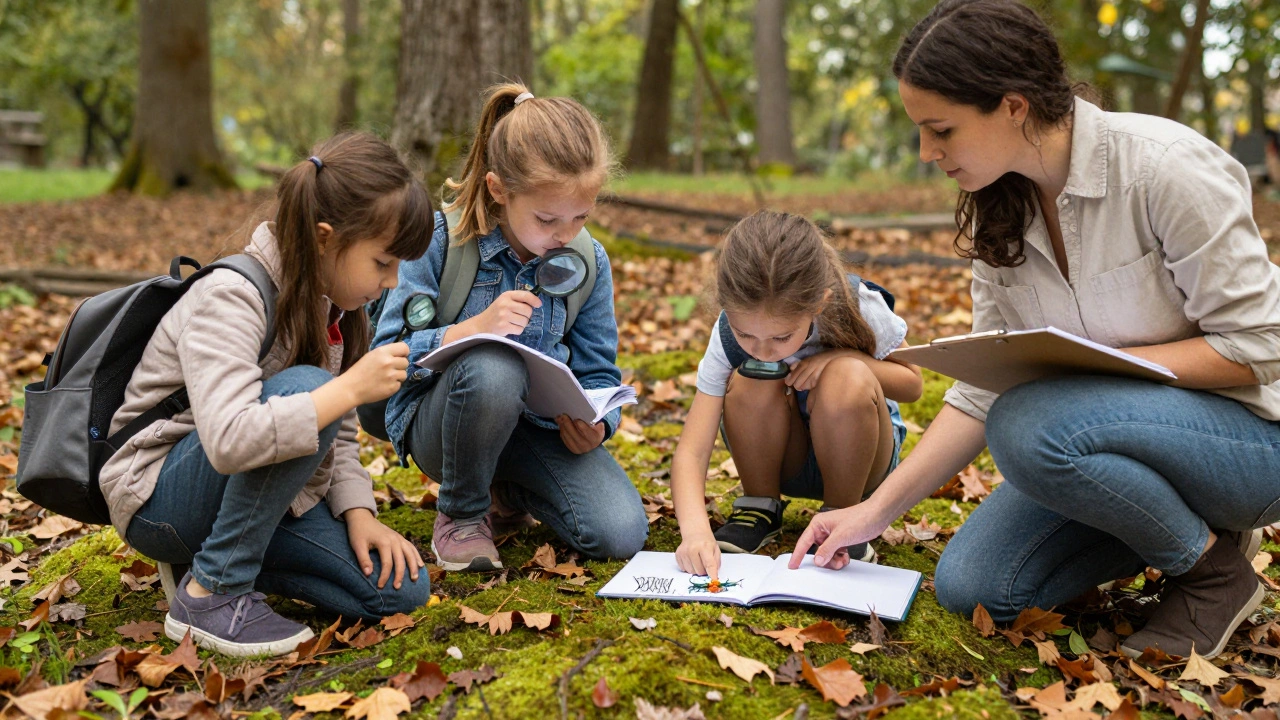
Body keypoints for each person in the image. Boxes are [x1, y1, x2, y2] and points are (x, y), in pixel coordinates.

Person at [792, 0, 1280, 660]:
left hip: (1250, 446)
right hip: (1114, 449)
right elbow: (982, 390)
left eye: (941, 129)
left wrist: (1101, 366)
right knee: (978, 588)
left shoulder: (1164, 169)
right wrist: (874, 511)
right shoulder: (1001, 203)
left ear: (1014, 106)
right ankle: (1198, 534)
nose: (926, 152)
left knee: (1029, 424)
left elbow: (1259, 345)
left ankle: (1212, 577)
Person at [99, 133, 435, 657]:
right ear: (325, 238)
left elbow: (338, 431)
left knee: (399, 591)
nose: (391, 282)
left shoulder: (336, 302)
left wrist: (358, 512)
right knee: (312, 389)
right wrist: (347, 387)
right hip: (159, 495)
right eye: (382, 263)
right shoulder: (232, 295)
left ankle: (218, 558)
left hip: (256, 493)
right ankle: (213, 592)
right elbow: (230, 441)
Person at [372, 83, 648, 572]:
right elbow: (386, 356)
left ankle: (506, 489)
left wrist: (600, 423)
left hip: (533, 431)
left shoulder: (590, 261)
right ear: (499, 190)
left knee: (619, 531)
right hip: (445, 425)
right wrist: (472, 328)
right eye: (546, 219)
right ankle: (461, 514)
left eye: (581, 216)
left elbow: (599, 373)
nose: (565, 234)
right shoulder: (440, 241)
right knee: (494, 366)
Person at [672, 211, 921, 579]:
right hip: (779, 459)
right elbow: (692, 450)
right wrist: (694, 533)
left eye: (781, 337)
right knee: (752, 376)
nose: (763, 350)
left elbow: (912, 383)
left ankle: (841, 515)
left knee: (846, 377)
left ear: (819, 303)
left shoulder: (858, 305)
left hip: (862, 456)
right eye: (746, 335)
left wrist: (846, 357)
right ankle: (759, 507)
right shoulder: (727, 333)